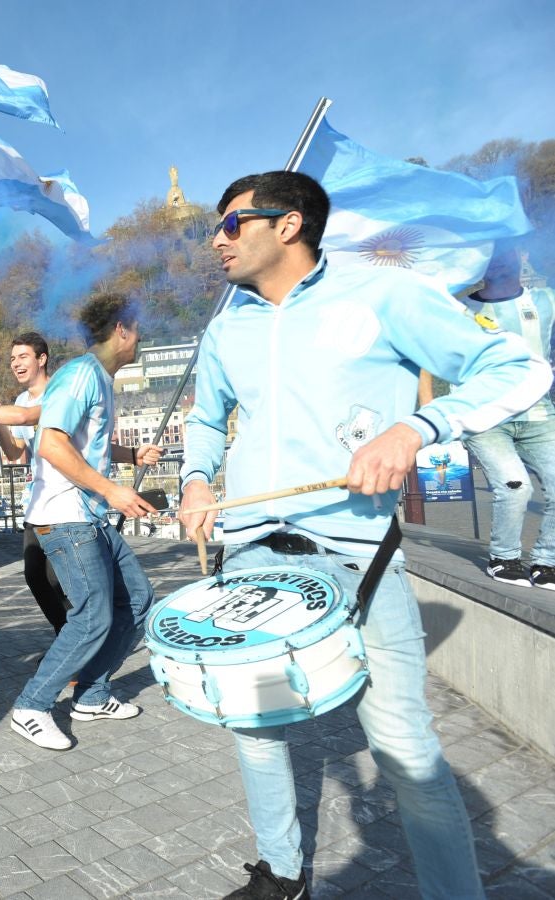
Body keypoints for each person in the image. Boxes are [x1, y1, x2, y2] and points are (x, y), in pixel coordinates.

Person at [178, 171, 549, 899]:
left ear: (286, 225)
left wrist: (416, 427)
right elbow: (203, 419)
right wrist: (196, 477)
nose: (215, 241)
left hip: (357, 556)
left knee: (404, 747)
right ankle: (281, 875)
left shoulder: (384, 295)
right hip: (251, 554)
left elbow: (517, 366)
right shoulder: (226, 328)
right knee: (254, 731)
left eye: (229, 225)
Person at [0, 300, 157, 750]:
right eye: (137, 331)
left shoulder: (98, 378)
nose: (139, 340)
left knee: (138, 600)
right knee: (92, 615)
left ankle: (92, 694)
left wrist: (130, 457)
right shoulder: (82, 374)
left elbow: (86, 444)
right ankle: (31, 706)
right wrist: (112, 489)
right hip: (66, 517)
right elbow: (51, 444)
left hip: (89, 516)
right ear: (122, 330)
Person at [0, 332, 161, 638]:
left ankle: (79, 642)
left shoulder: (65, 388)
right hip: (39, 502)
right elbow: (14, 454)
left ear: (42, 359)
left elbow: (91, 443)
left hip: (71, 503)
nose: (16, 363)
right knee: (35, 576)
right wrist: (0, 420)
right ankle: (66, 637)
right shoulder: (21, 401)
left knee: (62, 579)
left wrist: (132, 455)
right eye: (12, 359)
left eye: (23, 356)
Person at [458, 246, 555, 588]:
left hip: (540, 415)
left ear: (521, 256)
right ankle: (504, 557)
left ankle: (547, 562)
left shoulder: (546, 300)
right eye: (490, 255)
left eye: (505, 252)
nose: (498, 261)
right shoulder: (461, 310)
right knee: (515, 487)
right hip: (486, 419)